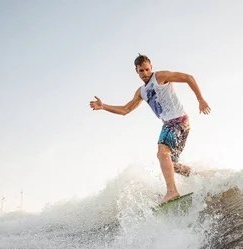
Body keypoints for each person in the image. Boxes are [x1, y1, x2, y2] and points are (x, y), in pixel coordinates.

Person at [89, 54, 211, 204]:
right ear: (137, 71)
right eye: (141, 71)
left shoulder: (160, 76)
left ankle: (172, 192)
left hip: (177, 120)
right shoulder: (141, 92)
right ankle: (201, 177)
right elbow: (125, 110)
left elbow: (188, 78)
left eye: (147, 69)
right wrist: (103, 106)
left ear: (151, 67)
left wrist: (200, 99)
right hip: (174, 124)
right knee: (171, 165)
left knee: (162, 152)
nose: (145, 73)